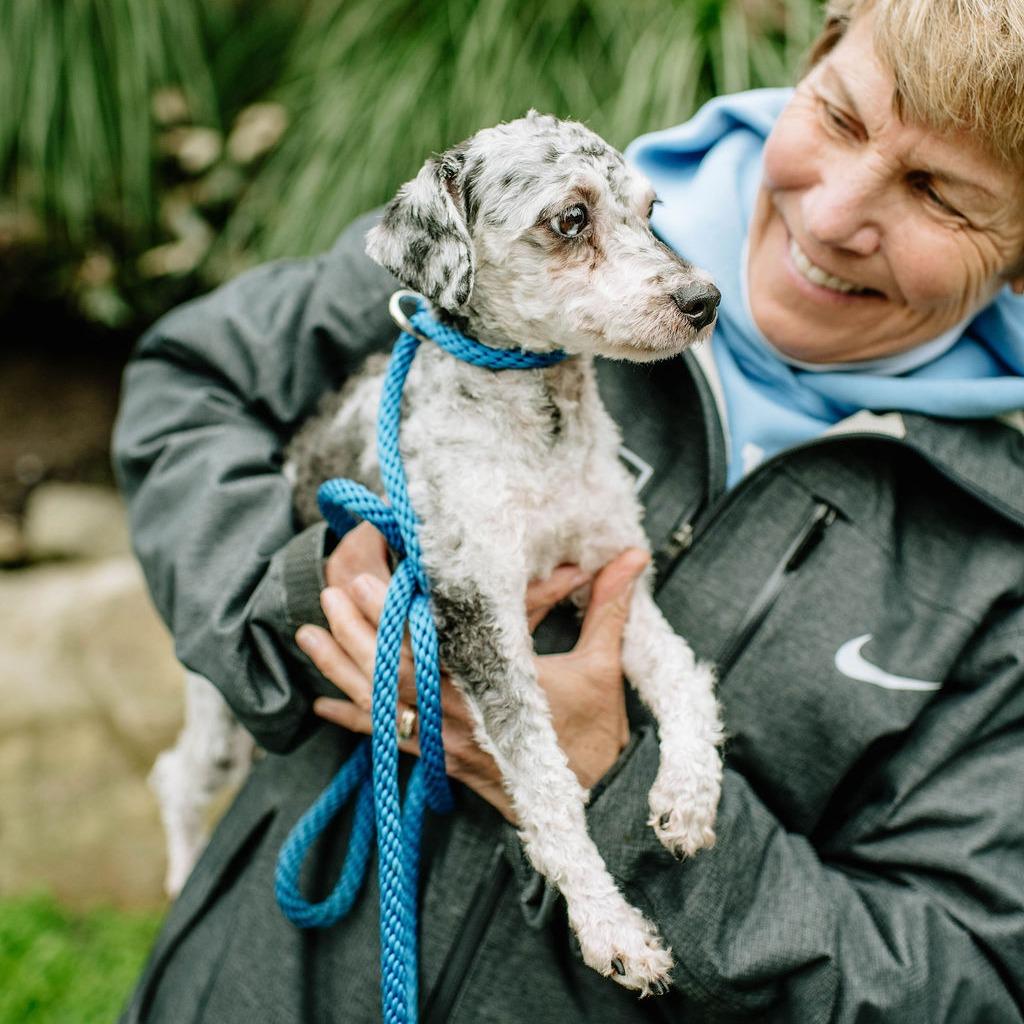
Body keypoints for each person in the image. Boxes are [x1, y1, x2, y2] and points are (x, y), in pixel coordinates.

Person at [115, 0, 1024, 1020]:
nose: (828, 216)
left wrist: (621, 787)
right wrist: (294, 593)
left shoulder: (997, 568)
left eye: (938, 193)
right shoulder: (507, 225)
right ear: (813, 59)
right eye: (843, 117)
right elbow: (191, 380)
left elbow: (957, 986)